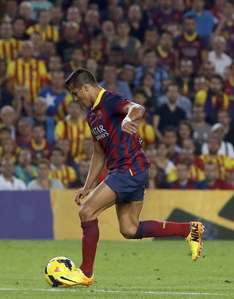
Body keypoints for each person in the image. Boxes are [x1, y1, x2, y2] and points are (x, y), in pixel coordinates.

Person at [60, 68, 204, 287]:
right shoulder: (92, 116)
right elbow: (99, 154)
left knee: (87, 211)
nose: (76, 99)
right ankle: (189, 230)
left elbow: (137, 107)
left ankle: (85, 273)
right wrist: (87, 186)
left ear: (86, 87)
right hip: (128, 169)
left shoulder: (109, 99)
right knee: (129, 229)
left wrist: (128, 118)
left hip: (128, 169)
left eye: (76, 93)